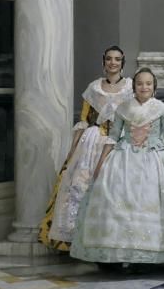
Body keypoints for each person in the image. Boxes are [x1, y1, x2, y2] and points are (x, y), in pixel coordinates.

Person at [71, 68, 164, 267]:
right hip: (124, 158)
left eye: (148, 83)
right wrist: (101, 163)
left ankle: (145, 256)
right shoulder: (123, 108)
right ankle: (113, 252)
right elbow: (113, 136)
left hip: (153, 158)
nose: (144, 87)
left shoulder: (161, 109)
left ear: (154, 87)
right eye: (140, 83)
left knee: (148, 200)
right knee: (114, 199)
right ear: (134, 87)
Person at [41, 45, 132, 249]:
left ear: (122, 63)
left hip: (119, 140)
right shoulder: (93, 88)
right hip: (92, 142)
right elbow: (83, 120)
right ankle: (79, 238)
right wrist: (72, 152)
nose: (113, 63)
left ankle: (113, 239)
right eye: (109, 59)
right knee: (78, 186)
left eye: (117, 59)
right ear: (103, 62)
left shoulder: (130, 88)